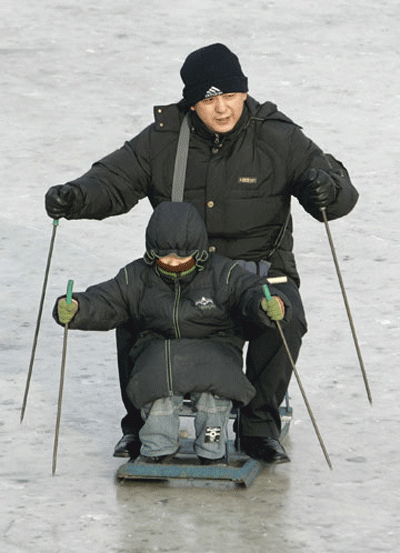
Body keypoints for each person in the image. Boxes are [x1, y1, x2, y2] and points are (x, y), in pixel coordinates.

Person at [45, 43, 359, 464]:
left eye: (229, 96)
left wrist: (329, 190)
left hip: (259, 269)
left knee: (284, 317)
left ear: (244, 94)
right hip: (180, 267)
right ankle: (138, 424)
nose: (222, 109)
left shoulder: (278, 137)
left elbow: (336, 188)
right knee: (134, 310)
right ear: (191, 102)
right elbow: (114, 179)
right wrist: (76, 196)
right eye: (210, 99)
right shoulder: (163, 138)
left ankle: (258, 426)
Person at [53, 202, 291, 464]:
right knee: (158, 393)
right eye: (164, 255)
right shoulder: (137, 277)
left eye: (181, 256)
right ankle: (158, 446)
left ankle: (212, 448)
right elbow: (106, 299)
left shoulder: (223, 273)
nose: (173, 262)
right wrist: (76, 307)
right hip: (159, 351)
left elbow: (250, 289)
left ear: (197, 250)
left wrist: (267, 303)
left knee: (215, 397)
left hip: (215, 349)